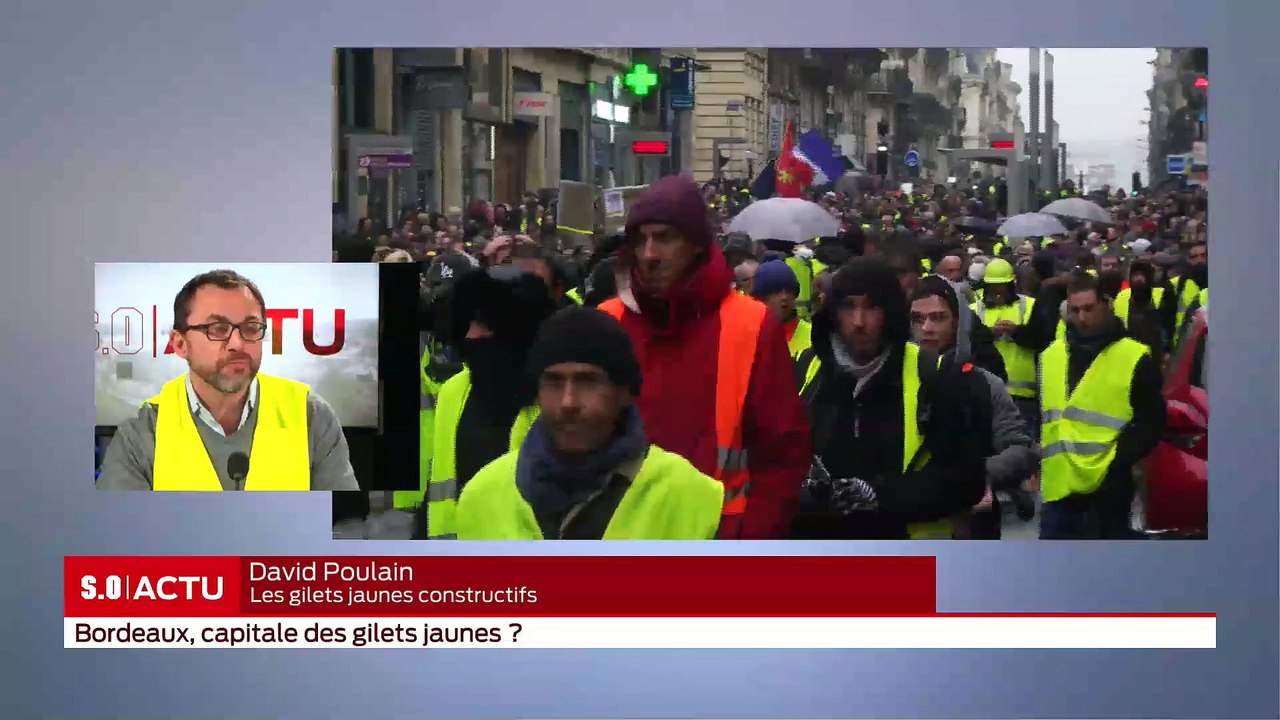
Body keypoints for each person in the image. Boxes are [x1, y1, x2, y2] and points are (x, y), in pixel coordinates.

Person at [598, 175, 811, 539]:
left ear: (696, 244)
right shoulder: (607, 322)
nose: (649, 254)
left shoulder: (752, 325)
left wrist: (749, 545)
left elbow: (782, 456)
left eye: (664, 238)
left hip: (721, 542)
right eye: (640, 240)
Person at [454, 307, 724, 540]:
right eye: (554, 382)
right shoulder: (482, 495)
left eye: (587, 381)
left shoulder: (693, 497)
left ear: (623, 392)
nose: (568, 402)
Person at [98, 270, 358, 491]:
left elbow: (340, 525)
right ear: (179, 344)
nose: (238, 343)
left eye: (251, 328)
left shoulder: (310, 415)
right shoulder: (141, 435)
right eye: (217, 329)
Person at [791, 257, 988, 539]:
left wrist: (877, 494)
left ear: (891, 312)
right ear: (832, 313)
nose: (859, 322)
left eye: (872, 307)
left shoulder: (935, 376)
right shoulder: (805, 370)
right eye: (848, 307)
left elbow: (966, 483)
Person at [416, 266, 558, 539]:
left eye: (484, 324)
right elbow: (439, 484)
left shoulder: (555, 399)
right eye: (468, 322)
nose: (471, 335)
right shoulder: (454, 391)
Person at [1038, 273, 1165, 540]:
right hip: (1057, 489)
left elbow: (1152, 423)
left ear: (1105, 305)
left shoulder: (1134, 357)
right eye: (1074, 310)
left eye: (1088, 308)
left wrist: (1115, 462)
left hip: (1107, 492)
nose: (1081, 318)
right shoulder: (1051, 355)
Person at [908, 278, 1037, 539]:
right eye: (918, 319)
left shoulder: (984, 382)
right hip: (908, 524)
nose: (927, 328)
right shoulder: (891, 379)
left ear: (956, 322)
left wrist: (977, 475)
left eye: (937, 318)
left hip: (971, 524)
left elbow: (1020, 449)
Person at [751, 260, 812, 359]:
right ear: (760, 297)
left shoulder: (812, 336)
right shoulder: (748, 336)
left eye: (789, 291)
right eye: (776, 291)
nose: (784, 297)